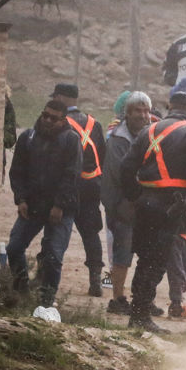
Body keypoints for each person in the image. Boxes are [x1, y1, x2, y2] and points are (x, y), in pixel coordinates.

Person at [119, 92, 186, 333]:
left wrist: (135, 195)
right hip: (170, 206)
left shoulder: (148, 131)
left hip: (145, 204)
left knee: (145, 259)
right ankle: (141, 317)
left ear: (170, 107)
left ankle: (138, 313)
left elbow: (126, 167)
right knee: (157, 262)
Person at [6, 100, 82, 308]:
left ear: (63, 120)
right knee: (14, 248)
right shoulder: (28, 138)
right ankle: (22, 292)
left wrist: (59, 205)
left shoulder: (71, 140)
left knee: (53, 256)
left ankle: (46, 302)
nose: (47, 120)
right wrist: (21, 199)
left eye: (53, 118)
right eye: (45, 115)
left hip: (61, 209)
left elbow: (72, 176)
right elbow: (17, 172)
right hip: (33, 205)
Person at [52, 83, 107, 297]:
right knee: (91, 234)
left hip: (67, 186)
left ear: (60, 98)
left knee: (56, 232)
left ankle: (46, 277)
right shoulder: (94, 123)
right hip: (91, 186)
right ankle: (96, 280)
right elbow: (102, 156)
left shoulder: (60, 123)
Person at [101, 91, 152, 315]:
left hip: (143, 205)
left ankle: (143, 299)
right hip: (123, 205)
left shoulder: (150, 134)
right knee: (122, 255)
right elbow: (120, 175)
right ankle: (118, 299)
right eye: (138, 111)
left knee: (148, 254)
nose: (143, 115)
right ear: (127, 113)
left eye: (146, 111)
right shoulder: (118, 139)